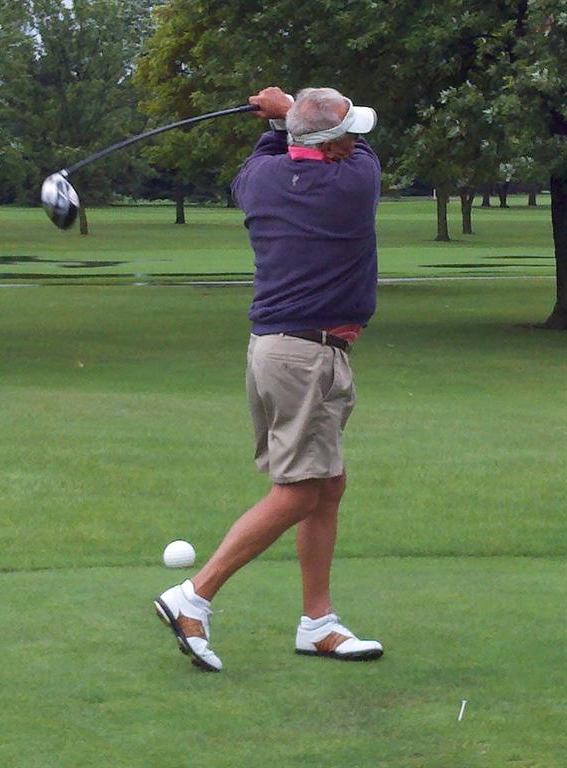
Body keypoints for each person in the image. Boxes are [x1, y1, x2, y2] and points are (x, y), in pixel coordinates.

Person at [154, 86, 383, 672]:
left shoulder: (257, 179)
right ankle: (193, 596)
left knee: (327, 485)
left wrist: (282, 118)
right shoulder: (354, 183)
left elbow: (275, 148)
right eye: (346, 130)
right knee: (302, 491)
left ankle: (318, 622)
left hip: (276, 352)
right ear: (332, 143)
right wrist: (286, 110)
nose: (356, 137)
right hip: (307, 356)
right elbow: (356, 152)